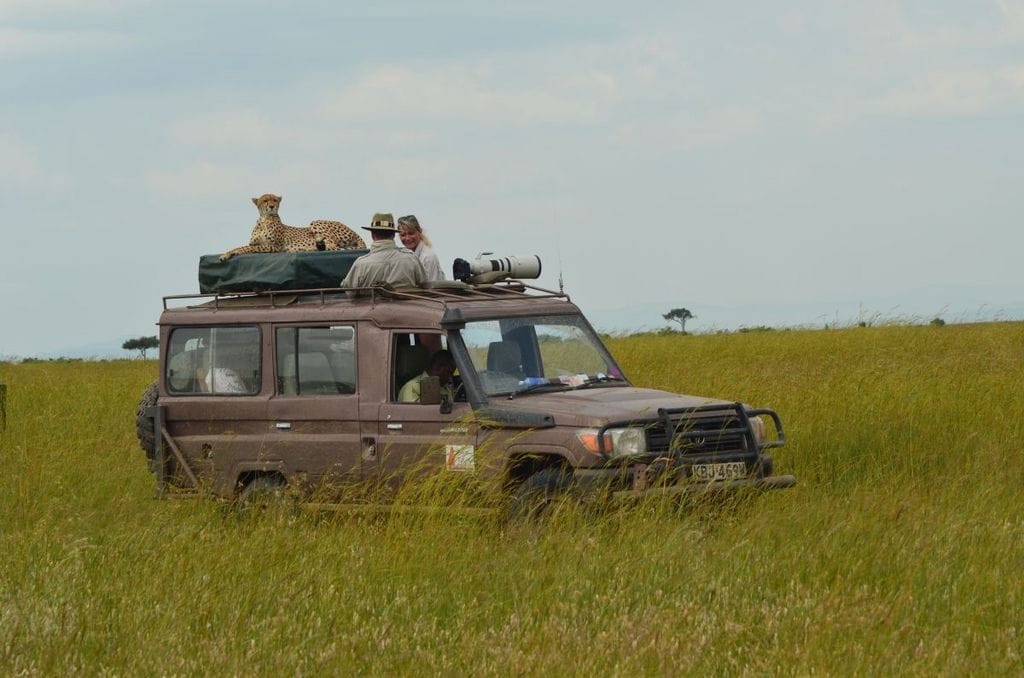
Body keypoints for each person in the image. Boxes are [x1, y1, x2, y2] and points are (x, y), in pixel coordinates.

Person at [340, 212, 426, 298]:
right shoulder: (412, 259)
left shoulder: (360, 264)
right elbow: (424, 285)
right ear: (393, 235)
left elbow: (350, 293)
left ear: (372, 235)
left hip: (371, 311)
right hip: (410, 310)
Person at [397, 214, 445, 282]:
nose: (407, 238)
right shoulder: (401, 255)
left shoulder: (428, 257)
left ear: (419, 231)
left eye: (411, 233)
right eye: (403, 235)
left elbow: (432, 288)